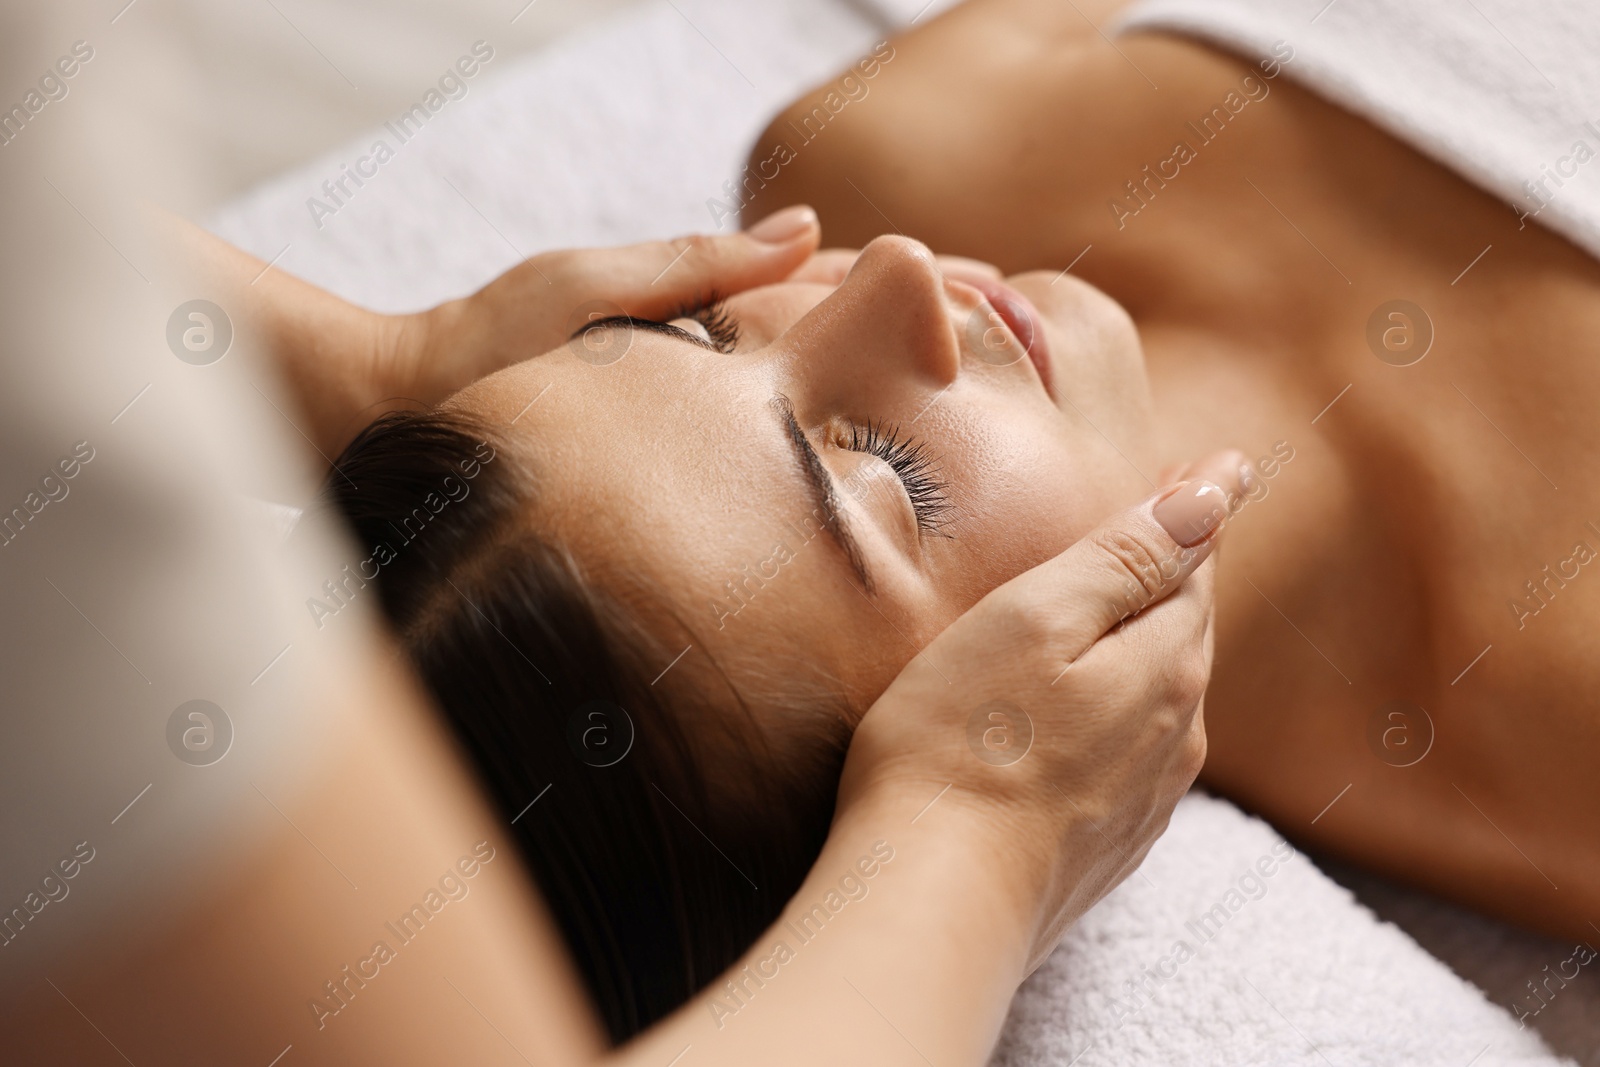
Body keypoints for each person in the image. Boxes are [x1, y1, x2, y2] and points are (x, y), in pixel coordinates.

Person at [740, 0, 1600, 941]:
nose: (883, 279)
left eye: (699, 330)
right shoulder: (1564, 747)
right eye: (888, 467)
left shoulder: (863, 156)